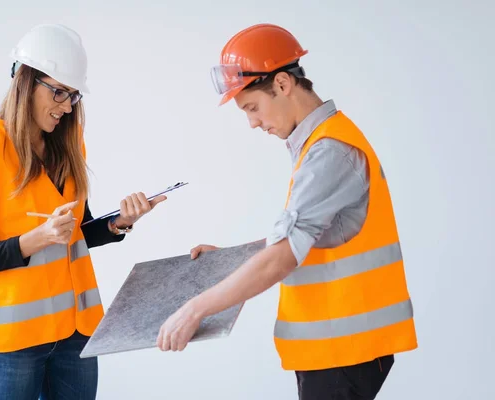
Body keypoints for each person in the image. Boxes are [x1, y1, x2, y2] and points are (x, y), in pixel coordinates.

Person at [156, 23, 418, 399]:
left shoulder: (328, 152)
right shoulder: (322, 143)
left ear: (281, 84)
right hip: (337, 350)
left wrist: (194, 309)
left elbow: (283, 257)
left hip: (342, 352)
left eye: (252, 107)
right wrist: (236, 258)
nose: (252, 123)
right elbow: (310, 239)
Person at [0, 23, 166, 399]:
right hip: (13, 345)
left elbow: (78, 232)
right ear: (26, 82)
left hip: (75, 336)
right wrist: (33, 240)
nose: (67, 106)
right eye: (58, 92)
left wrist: (120, 222)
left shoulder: (67, 149)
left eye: (73, 96)